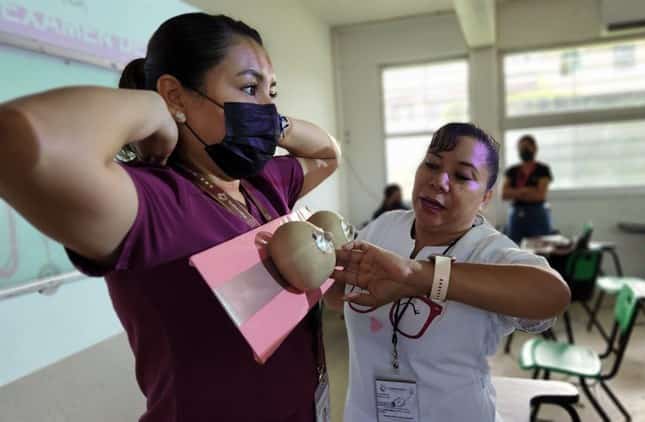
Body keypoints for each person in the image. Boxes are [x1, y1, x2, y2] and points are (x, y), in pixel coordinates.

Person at [0, 13, 340, 422]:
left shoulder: (260, 183)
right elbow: (18, 140)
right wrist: (151, 110)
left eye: (273, 92)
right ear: (177, 96)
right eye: (250, 88)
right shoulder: (155, 200)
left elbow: (328, 153)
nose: (268, 106)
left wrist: (274, 124)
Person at [327, 123, 570, 422]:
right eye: (431, 164)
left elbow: (553, 294)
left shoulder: (487, 252)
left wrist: (418, 275)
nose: (439, 181)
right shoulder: (384, 227)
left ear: (485, 197)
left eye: (462, 176)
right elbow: (339, 300)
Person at [501, 134, 554, 244]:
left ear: (535, 148)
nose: (524, 150)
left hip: (538, 214)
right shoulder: (512, 171)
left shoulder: (543, 170)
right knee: (514, 247)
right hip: (516, 215)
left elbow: (540, 195)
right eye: (521, 148)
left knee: (541, 247)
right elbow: (504, 194)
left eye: (526, 147)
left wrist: (515, 192)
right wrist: (527, 191)